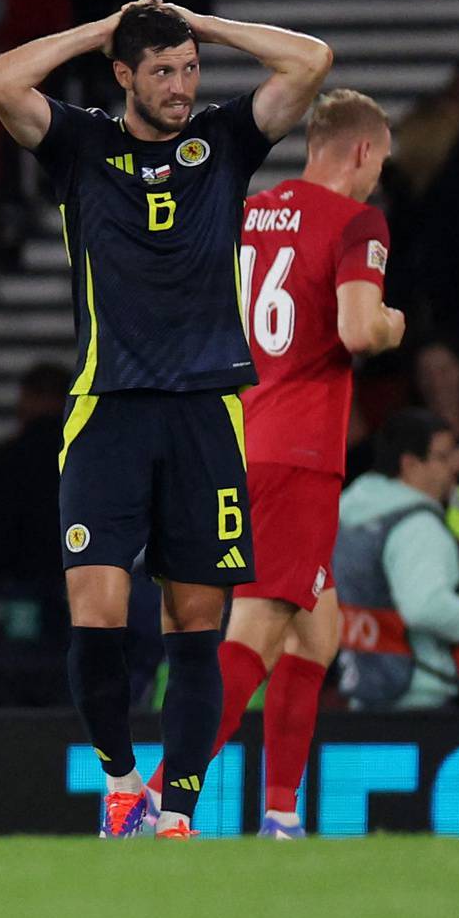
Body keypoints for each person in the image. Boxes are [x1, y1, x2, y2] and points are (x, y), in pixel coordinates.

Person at [0, 0, 333, 837]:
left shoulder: (227, 141)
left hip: (207, 412)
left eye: (189, 69)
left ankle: (176, 815)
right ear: (124, 76)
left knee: (196, 626)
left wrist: (206, 26)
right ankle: (121, 783)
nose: (180, 86)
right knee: (95, 611)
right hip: (108, 410)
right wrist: (102, 30)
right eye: (162, 71)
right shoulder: (80, 145)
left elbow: (312, 62)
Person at [140, 90, 404, 836]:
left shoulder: (249, 212)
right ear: (360, 152)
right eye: (380, 159)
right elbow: (358, 329)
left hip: (230, 438)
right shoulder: (359, 223)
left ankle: (281, 818)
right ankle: (157, 799)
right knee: (254, 629)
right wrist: (392, 324)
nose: (379, 174)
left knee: (317, 629)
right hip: (298, 452)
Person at [333, 409, 459, 710]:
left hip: (365, 689)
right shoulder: (416, 526)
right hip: (424, 699)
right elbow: (426, 607)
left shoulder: (350, 513)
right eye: (442, 457)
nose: (453, 468)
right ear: (409, 464)